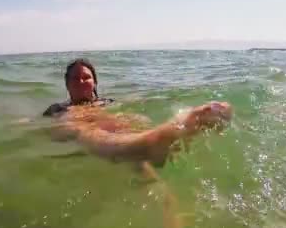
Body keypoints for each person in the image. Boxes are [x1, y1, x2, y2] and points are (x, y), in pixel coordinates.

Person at [44, 58, 233, 166]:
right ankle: (161, 138)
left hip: (105, 118)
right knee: (80, 128)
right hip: (79, 122)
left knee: (129, 120)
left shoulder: (106, 102)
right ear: (67, 84)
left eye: (86, 77)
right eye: (75, 78)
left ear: (95, 83)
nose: (81, 81)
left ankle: (156, 144)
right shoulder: (58, 108)